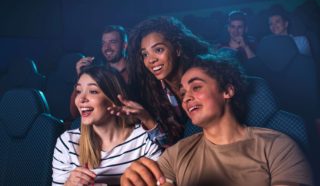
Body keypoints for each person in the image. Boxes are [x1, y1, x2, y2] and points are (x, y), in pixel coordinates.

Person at [120, 53, 313, 186]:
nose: (186, 98)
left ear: (227, 91)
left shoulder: (278, 147)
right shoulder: (176, 154)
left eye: (196, 87)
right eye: (183, 92)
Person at [52, 66, 162, 186]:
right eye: (79, 91)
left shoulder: (144, 138)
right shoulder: (67, 142)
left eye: (93, 91)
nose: (81, 99)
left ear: (113, 99)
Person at [125, 16, 211, 147]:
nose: (151, 60)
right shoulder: (152, 93)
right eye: (145, 54)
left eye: (158, 50)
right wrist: (147, 119)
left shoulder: (205, 77)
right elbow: (167, 147)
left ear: (177, 49)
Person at [69, 25, 128, 119]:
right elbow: (75, 112)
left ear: (124, 45)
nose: (107, 47)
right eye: (104, 43)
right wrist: (81, 76)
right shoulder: (99, 74)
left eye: (112, 42)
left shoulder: (136, 71)